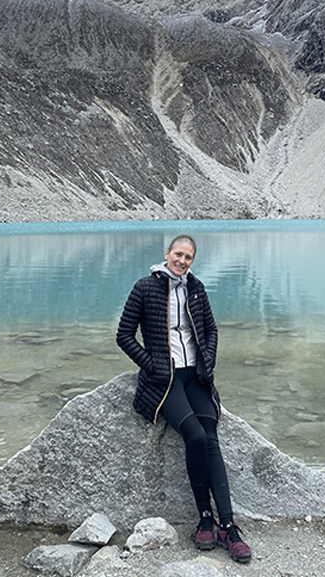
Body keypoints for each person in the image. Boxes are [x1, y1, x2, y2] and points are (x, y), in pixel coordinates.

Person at [116, 234, 252, 564]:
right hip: (167, 380)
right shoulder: (144, 287)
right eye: (178, 254)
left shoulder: (196, 288)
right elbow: (123, 335)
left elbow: (211, 331)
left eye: (188, 257)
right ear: (167, 254)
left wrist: (207, 361)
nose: (183, 261)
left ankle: (229, 526)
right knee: (195, 435)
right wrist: (153, 365)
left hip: (196, 377)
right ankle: (205, 517)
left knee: (211, 438)